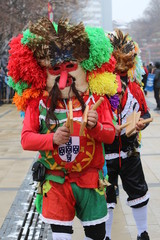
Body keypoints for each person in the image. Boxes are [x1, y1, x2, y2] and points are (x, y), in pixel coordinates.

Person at [7, 17, 119, 240]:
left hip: (90, 182)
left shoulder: (96, 99)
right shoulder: (37, 103)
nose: (63, 76)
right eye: (55, 68)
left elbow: (110, 134)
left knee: (96, 235)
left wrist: (96, 126)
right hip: (55, 182)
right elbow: (26, 139)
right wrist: (52, 139)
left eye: (70, 66)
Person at [104, 29, 151, 240]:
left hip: (130, 152)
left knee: (138, 191)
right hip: (105, 153)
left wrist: (141, 124)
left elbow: (146, 112)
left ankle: (143, 232)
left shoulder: (135, 88)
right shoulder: (100, 88)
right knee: (106, 196)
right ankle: (105, 236)